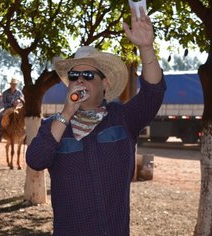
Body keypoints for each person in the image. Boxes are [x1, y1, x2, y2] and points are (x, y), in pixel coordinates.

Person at [26, 7, 166, 235]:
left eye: (88, 75)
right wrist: (67, 113)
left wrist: (146, 48)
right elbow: (36, 159)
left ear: (105, 83)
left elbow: (153, 93)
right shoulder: (53, 126)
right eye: (74, 76)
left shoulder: (123, 119)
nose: (80, 80)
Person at [0, 78, 24, 143]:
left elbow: (22, 100)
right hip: (7, 108)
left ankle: (24, 135)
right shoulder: (5, 92)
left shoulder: (19, 92)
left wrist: (18, 102)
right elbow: (4, 103)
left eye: (15, 84)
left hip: (17, 108)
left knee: (23, 117)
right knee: (1, 116)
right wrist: (12, 104)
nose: (14, 85)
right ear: (10, 84)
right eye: (12, 84)